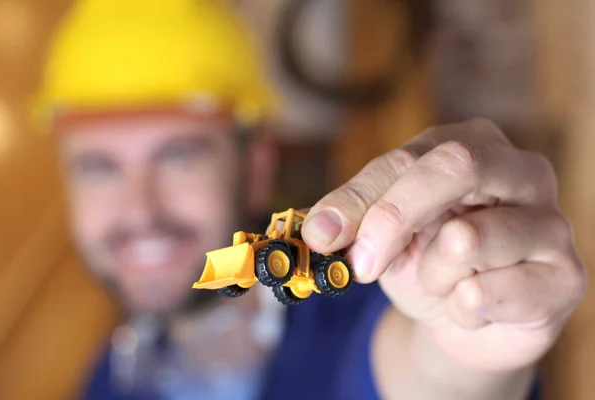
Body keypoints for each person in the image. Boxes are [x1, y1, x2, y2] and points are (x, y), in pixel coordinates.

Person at [32, 0, 586, 399]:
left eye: (179, 155)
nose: (138, 210)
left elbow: (429, 370)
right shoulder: (108, 378)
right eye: (98, 166)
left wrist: (467, 341)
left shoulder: (368, 296)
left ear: (256, 166)